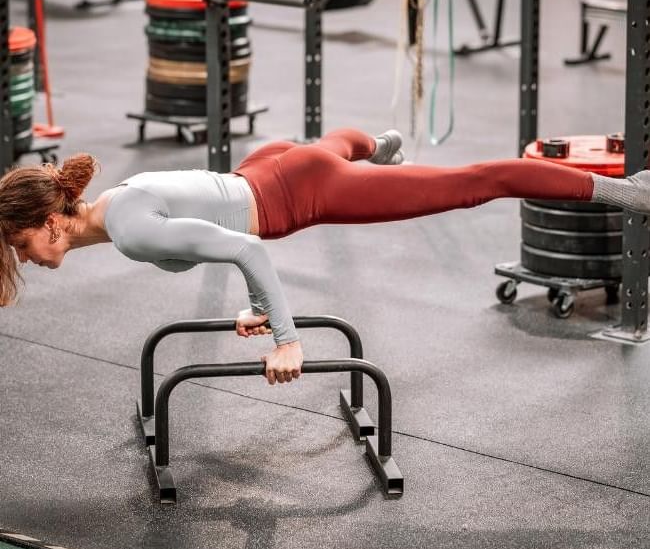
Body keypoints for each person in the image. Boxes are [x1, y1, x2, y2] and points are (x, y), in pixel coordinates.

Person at [0, 128, 648, 385]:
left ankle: (632, 193)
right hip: (268, 166)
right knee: (330, 148)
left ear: (50, 222)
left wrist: (286, 339)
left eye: (18, 243)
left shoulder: (132, 228)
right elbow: (223, 230)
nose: (22, 257)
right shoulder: (115, 208)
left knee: (476, 182)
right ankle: (372, 147)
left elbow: (245, 245)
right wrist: (258, 304)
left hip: (298, 189)